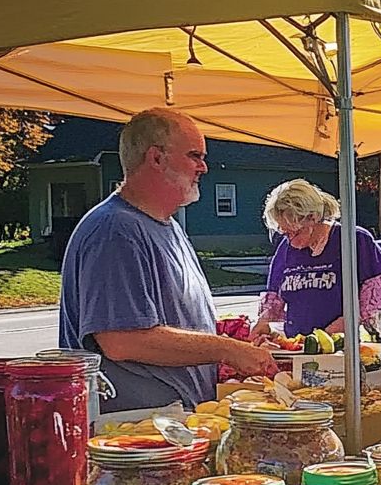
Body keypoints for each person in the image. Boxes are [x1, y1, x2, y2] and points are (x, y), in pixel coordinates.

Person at [60, 109, 277, 412]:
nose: (204, 167)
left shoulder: (167, 226)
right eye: (194, 156)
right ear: (156, 158)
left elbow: (173, 320)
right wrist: (226, 349)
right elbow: (122, 340)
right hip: (133, 435)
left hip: (171, 424)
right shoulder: (116, 230)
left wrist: (233, 337)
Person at [250, 179, 381, 339]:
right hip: (297, 348)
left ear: (313, 217)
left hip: (344, 347)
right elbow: (274, 299)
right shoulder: (285, 248)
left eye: (294, 232)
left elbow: (372, 306)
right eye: (284, 233)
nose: (289, 240)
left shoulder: (355, 240)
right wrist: (263, 323)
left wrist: (329, 335)